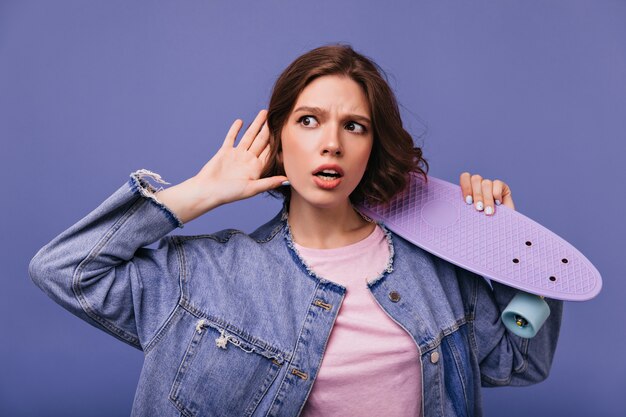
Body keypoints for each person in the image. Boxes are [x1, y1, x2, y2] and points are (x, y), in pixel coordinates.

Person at [29, 45, 562, 417]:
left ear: (371, 147)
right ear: (279, 139)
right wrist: (200, 191)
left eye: (354, 126)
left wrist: (514, 248)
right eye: (309, 121)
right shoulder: (205, 276)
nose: (331, 143)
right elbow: (64, 269)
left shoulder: (436, 263)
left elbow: (522, 361)